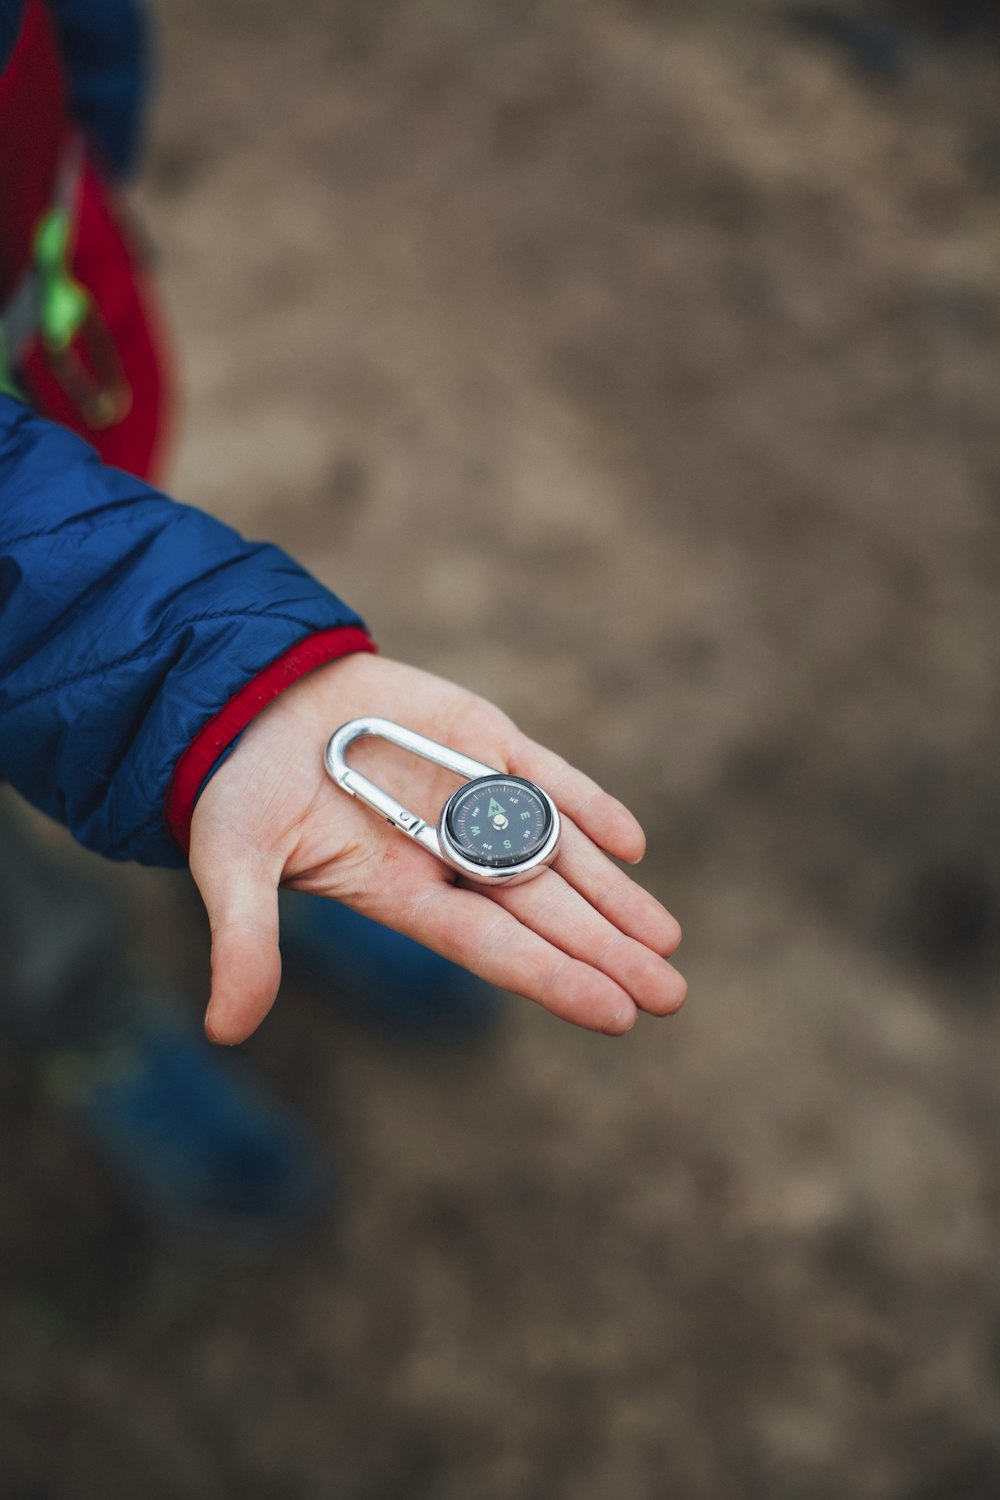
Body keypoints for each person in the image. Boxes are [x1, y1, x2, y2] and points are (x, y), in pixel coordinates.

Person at [0, 0, 686, 1233]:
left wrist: (81, 157)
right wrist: (194, 684)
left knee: (173, 671)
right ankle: (85, 1023)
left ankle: (265, 871)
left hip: (46, 322)